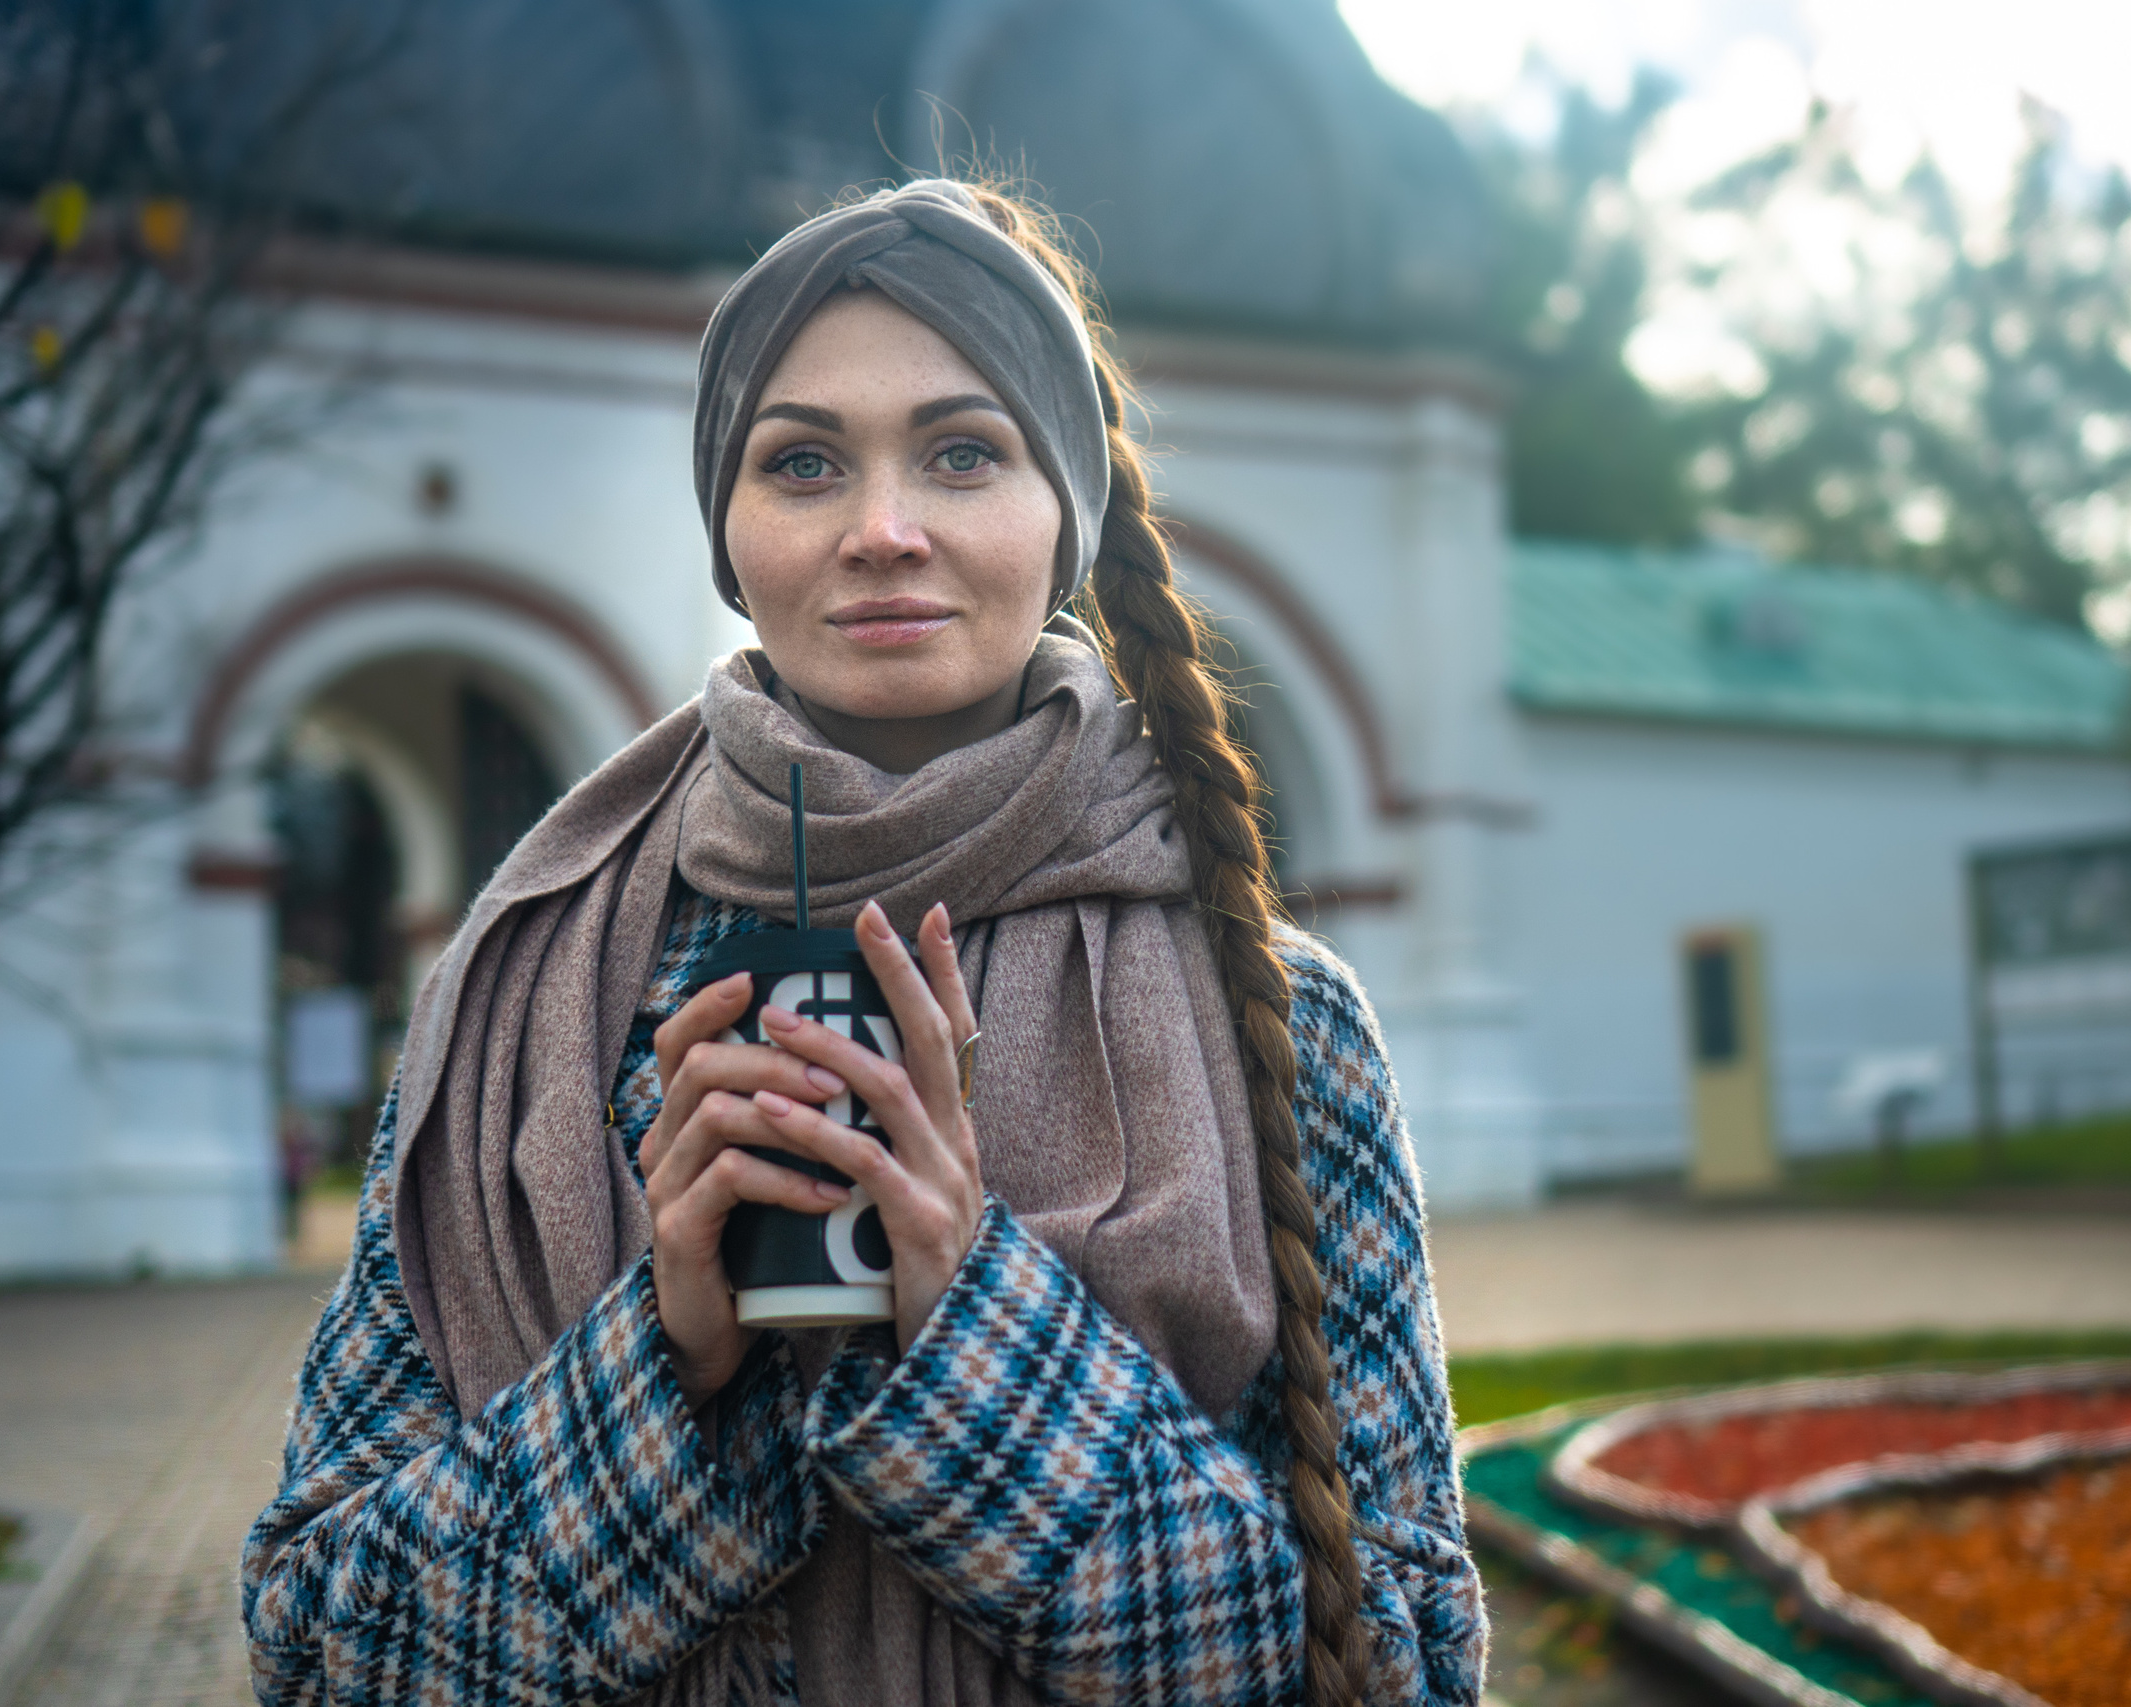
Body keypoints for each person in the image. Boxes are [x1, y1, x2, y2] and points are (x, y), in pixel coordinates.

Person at [242, 178, 1485, 1706]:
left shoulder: (1273, 1015)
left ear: (1064, 515)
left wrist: (973, 1323)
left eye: (964, 453)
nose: (883, 531)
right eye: (804, 463)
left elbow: (1408, 1665)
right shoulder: (530, 998)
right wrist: (666, 1366)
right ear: (729, 529)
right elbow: (314, 1649)